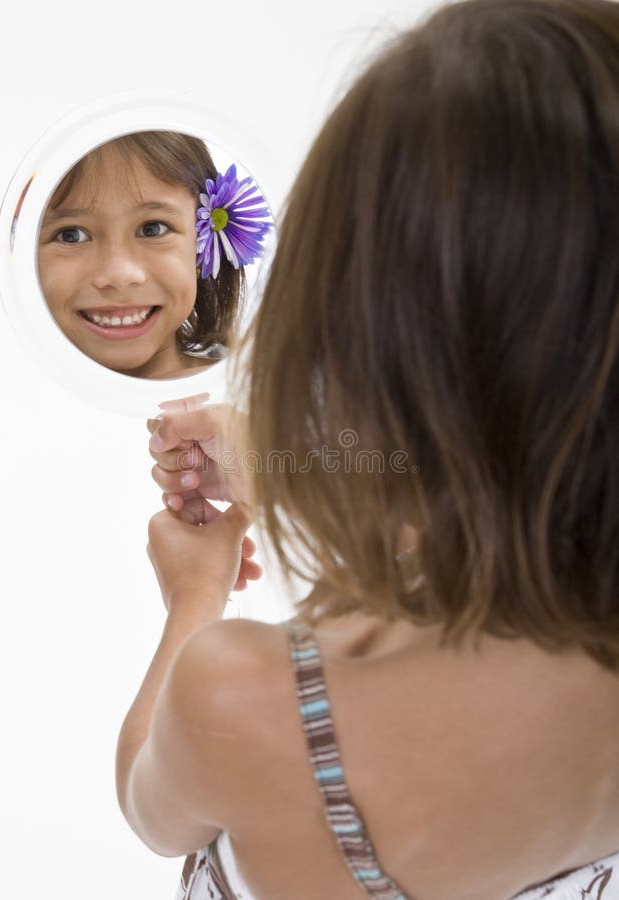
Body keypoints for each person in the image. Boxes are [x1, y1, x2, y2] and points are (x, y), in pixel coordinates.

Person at [116, 1, 619, 898]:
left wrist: (195, 593)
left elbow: (150, 806)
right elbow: (496, 490)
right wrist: (289, 473)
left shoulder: (248, 698)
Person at [37, 132, 268, 380]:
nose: (120, 275)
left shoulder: (257, 393)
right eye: (70, 235)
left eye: (152, 229)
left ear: (202, 248)